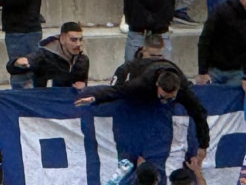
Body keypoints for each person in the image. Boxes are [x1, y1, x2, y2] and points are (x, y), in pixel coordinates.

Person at [76, 61, 212, 161]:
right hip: (134, 71)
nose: (164, 100)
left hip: (165, 71)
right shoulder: (142, 83)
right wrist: (95, 97)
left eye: (170, 98)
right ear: (157, 85)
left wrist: (203, 144)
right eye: (162, 96)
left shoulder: (184, 90)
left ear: (178, 90)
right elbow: (117, 92)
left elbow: (199, 113)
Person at [6, 21, 89, 88]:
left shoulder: (82, 59)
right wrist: (17, 62)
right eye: (73, 40)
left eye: (80, 39)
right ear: (62, 39)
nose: (78, 44)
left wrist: (82, 84)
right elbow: (17, 66)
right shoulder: (45, 55)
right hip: (43, 97)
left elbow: (82, 80)